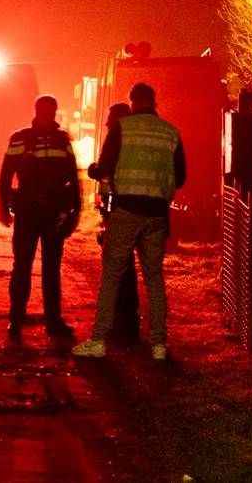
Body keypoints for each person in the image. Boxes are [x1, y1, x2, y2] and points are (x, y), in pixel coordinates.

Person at [74, 83, 186, 361]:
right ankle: (159, 345)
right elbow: (180, 178)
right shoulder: (171, 132)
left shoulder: (122, 129)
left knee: (111, 277)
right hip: (157, 215)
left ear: (132, 102)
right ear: (154, 102)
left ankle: (98, 340)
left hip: (126, 212)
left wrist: (92, 170)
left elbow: (103, 169)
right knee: (155, 279)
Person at [0, 94, 81, 344]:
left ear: (55, 112)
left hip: (54, 211)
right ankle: (16, 319)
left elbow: (73, 176)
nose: (47, 116)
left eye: (50, 112)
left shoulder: (62, 138)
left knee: (52, 268)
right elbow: (5, 173)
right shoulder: (20, 137)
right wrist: (2, 206)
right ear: (36, 112)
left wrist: (75, 210)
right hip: (28, 210)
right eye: (43, 112)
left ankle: (54, 322)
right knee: (22, 266)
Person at [89, 103, 140, 345]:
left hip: (119, 210)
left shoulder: (118, 136)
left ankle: (122, 322)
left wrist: (93, 170)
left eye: (111, 119)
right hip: (138, 209)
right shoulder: (139, 137)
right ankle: (129, 323)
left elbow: (104, 169)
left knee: (120, 268)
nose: (108, 124)